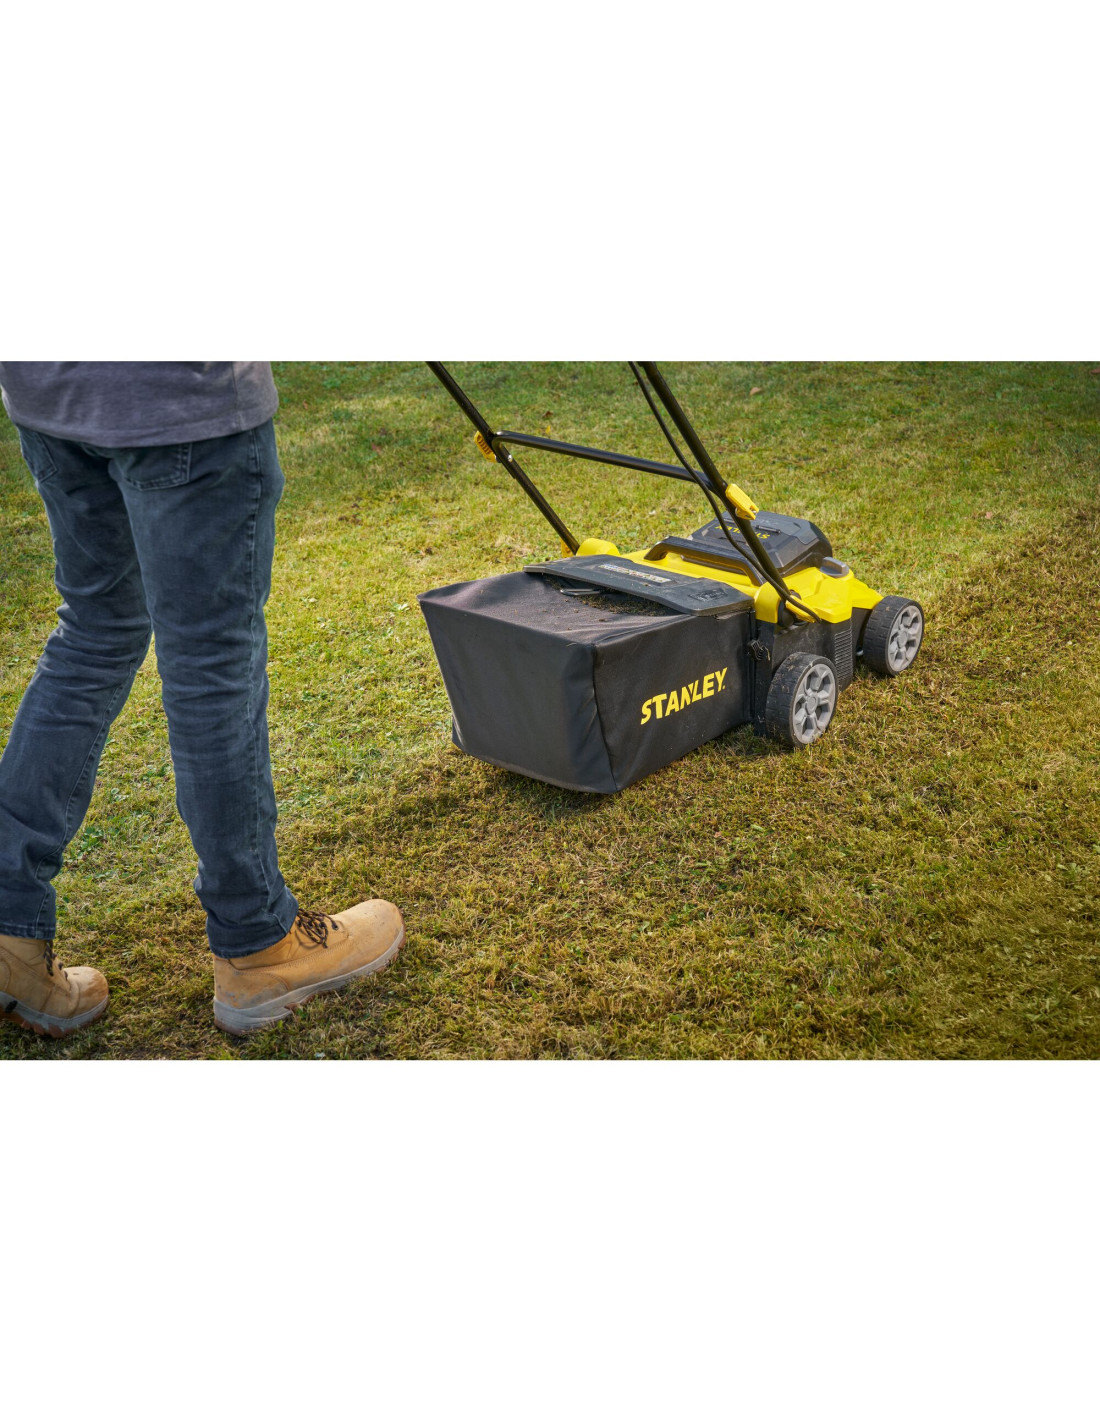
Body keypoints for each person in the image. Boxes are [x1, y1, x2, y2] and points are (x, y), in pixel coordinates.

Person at [0, 362, 403, 1039]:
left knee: (94, 634)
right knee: (210, 663)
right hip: (177, 398)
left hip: (51, 391)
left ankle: (6, 929)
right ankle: (259, 944)